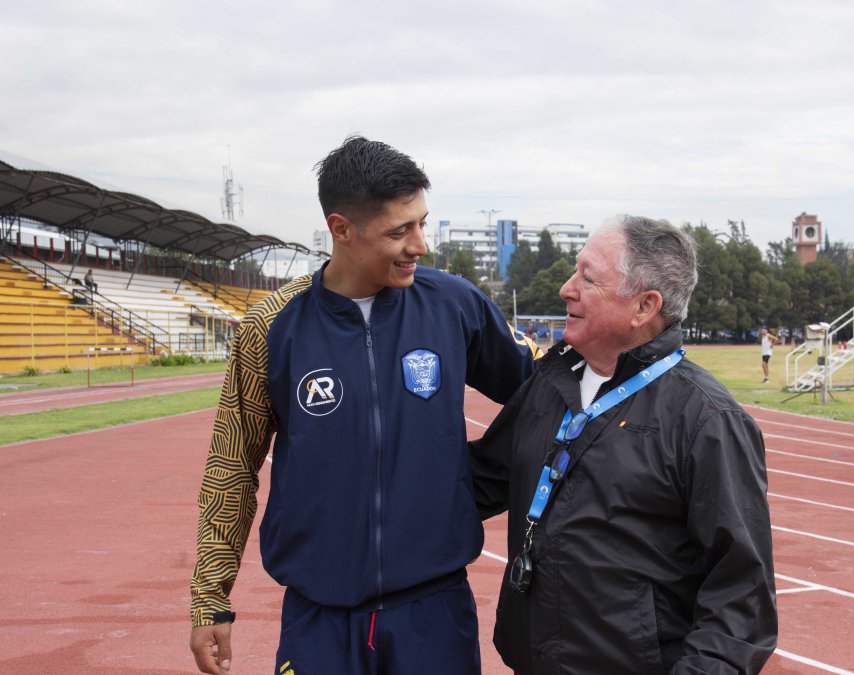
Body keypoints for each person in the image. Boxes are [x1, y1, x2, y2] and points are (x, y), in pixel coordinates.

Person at [189, 136, 540, 675]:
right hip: (319, 619)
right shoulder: (272, 326)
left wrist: (478, 481)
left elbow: (545, 391)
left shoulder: (455, 304)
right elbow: (232, 466)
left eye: (422, 223)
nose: (420, 245)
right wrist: (210, 594)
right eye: (400, 231)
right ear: (342, 229)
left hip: (435, 614)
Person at [472, 215, 777, 674]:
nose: (565, 288)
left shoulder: (707, 420)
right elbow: (478, 482)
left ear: (643, 307)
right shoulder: (549, 384)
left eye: (587, 277)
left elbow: (741, 595)